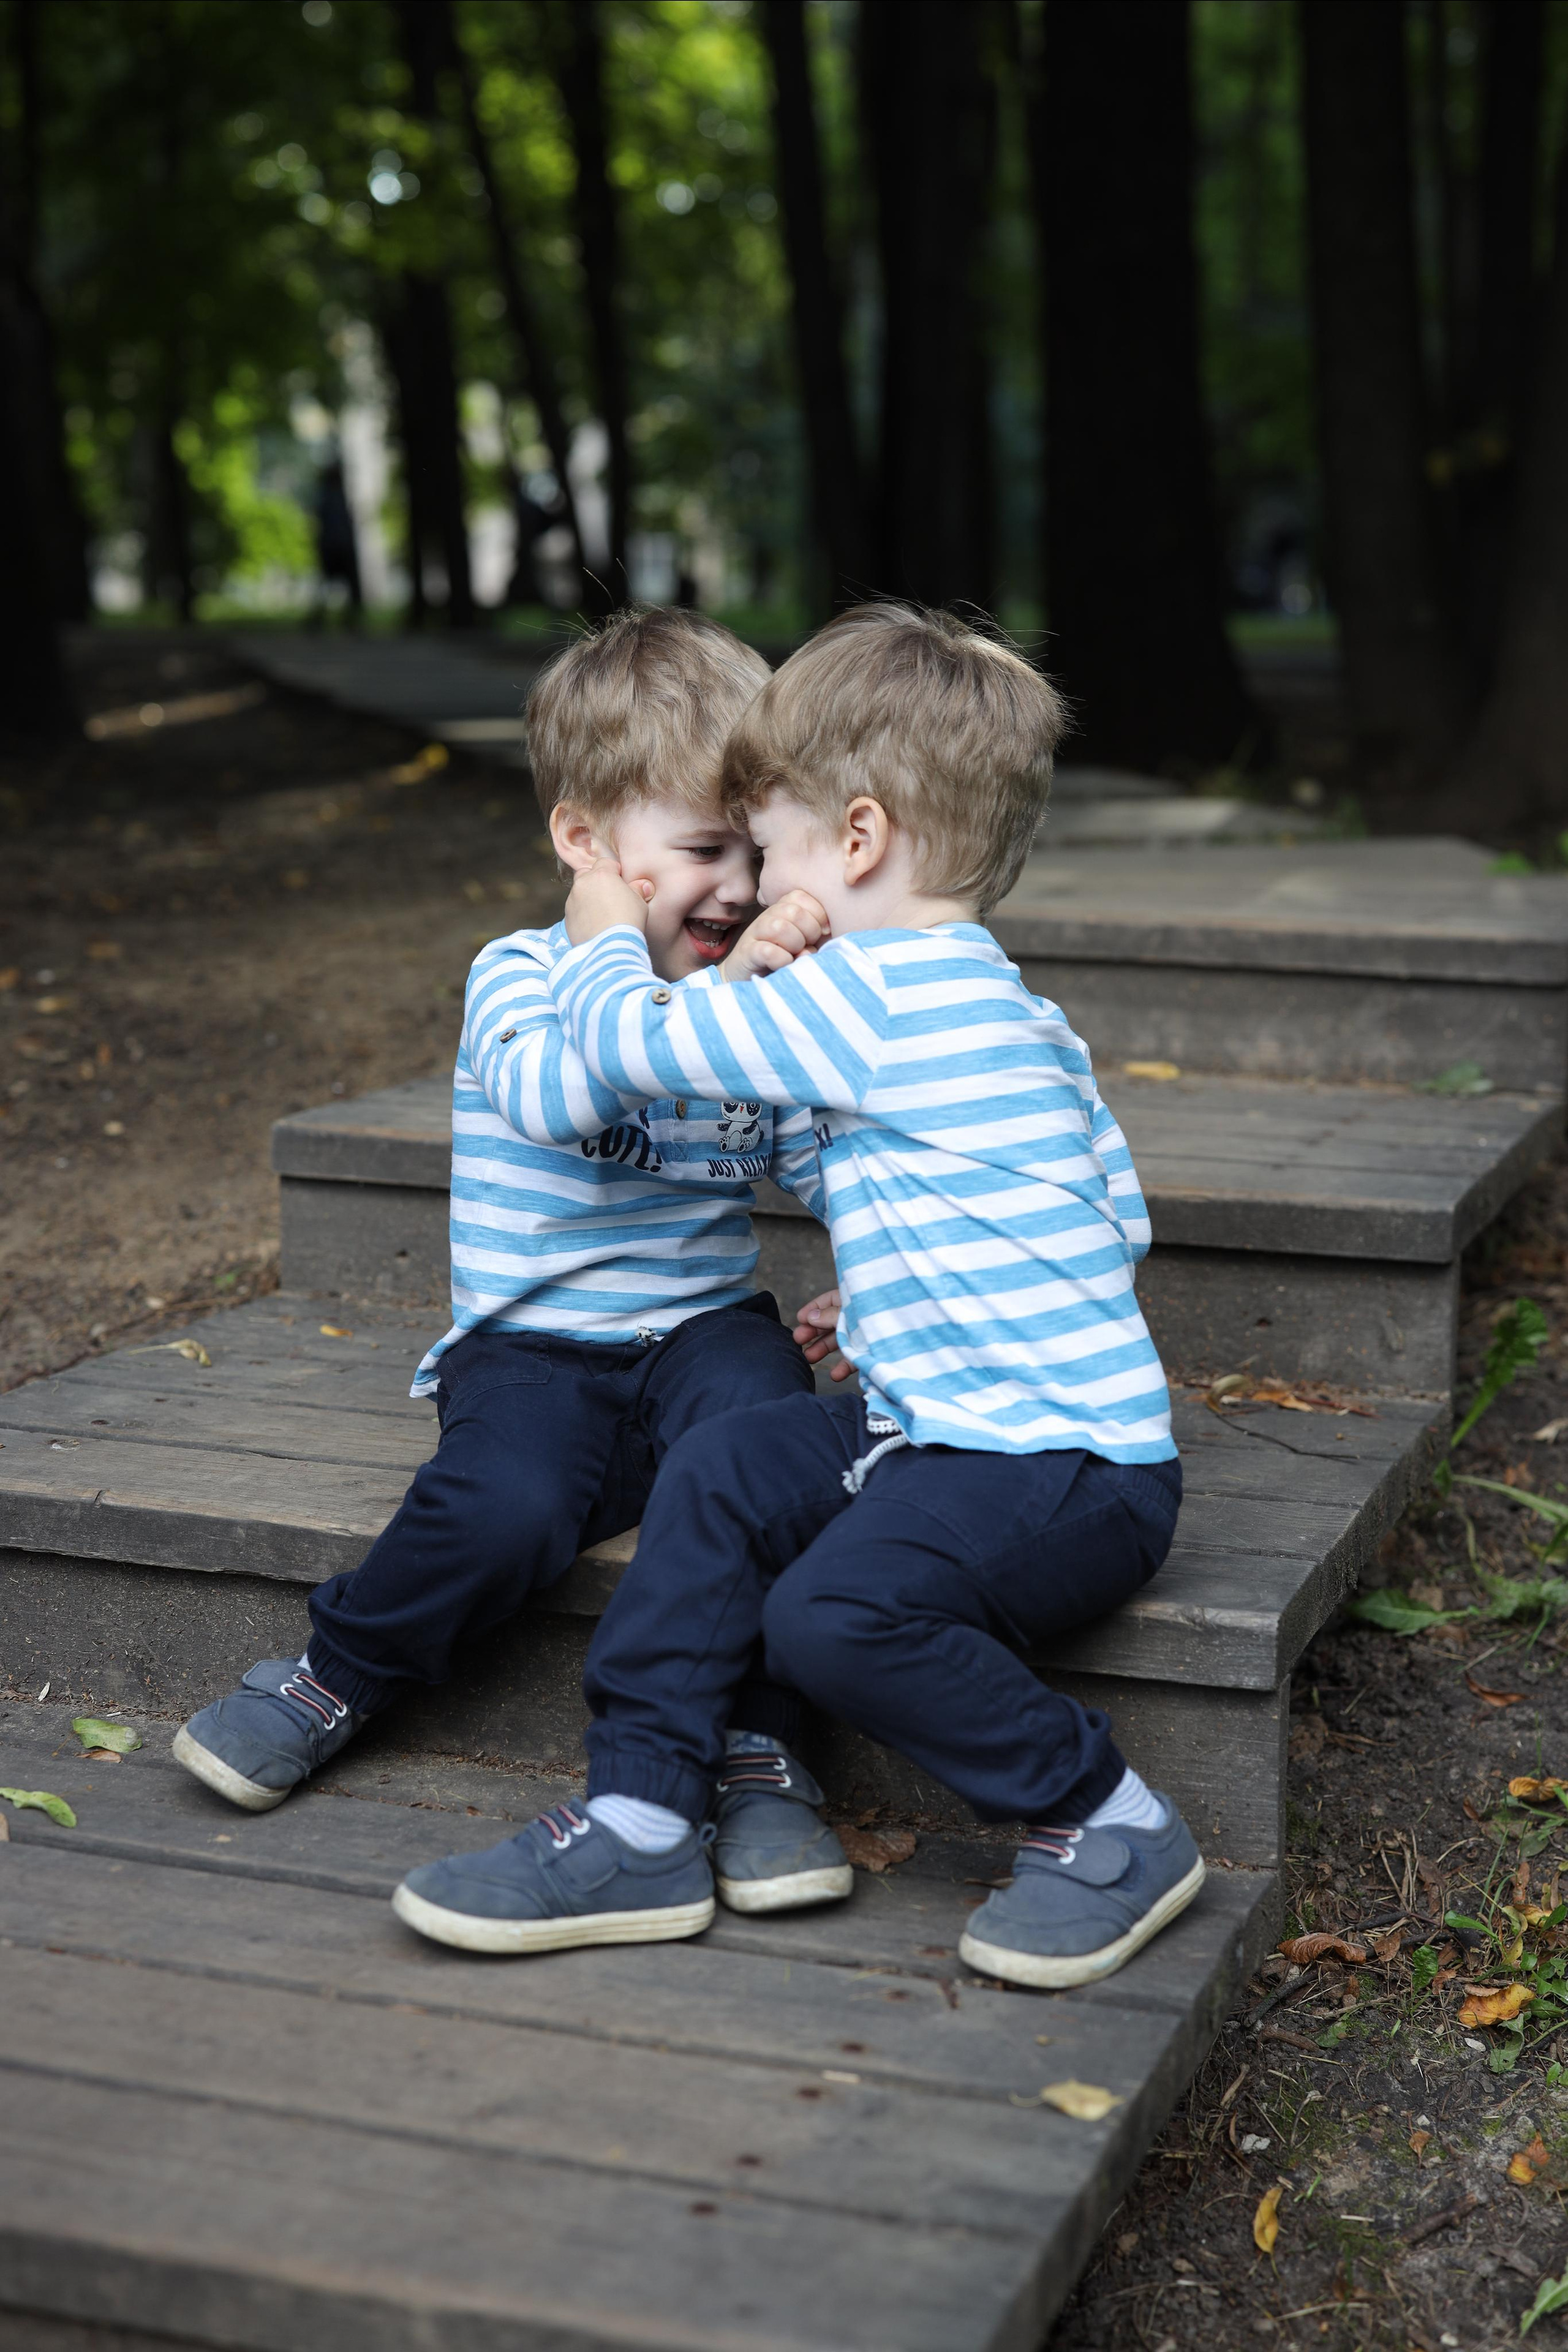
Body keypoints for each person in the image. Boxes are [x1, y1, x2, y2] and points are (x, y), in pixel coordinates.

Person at [393, 604, 1202, 1992]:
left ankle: (1106, 1820)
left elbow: (634, 1041)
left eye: (762, 847)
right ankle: (646, 1813)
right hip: (962, 1423)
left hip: (1052, 1472)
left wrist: (599, 924)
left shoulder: (861, 994)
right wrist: (892, 1286)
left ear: (859, 842)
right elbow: (1106, 1204)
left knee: (831, 1618)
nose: (760, 891)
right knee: (720, 1465)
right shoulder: (1006, 1002)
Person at [173, 608, 853, 1924]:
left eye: (754, 853)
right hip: (533, 1349)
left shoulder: (756, 994)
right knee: (506, 1505)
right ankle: (340, 1670)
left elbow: (823, 1159)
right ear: (584, 844)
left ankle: (761, 1750)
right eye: (705, 850)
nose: (737, 888)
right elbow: (555, 1094)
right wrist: (657, 971)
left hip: (702, 1331)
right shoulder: (522, 977)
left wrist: (877, 1277)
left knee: (770, 1442)